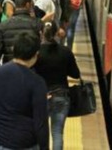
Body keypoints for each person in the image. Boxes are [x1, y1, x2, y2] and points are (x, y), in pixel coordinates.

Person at [0, 32, 49, 150]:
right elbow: (40, 123)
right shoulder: (37, 82)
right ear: (36, 54)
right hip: (21, 142)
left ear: (13, 49)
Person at [34, 21, 80, 150]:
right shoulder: (65, 52)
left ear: (41, 33)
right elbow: (76, 74)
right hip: (61, 96)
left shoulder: (36, 53)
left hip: (41, 97)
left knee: (39, 133)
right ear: (56, 34)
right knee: (57, 132)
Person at [0, 0, 43, 73]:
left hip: (9, 68)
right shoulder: (37, 24)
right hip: (30, 69)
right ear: (28, 5)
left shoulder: (4, 25)